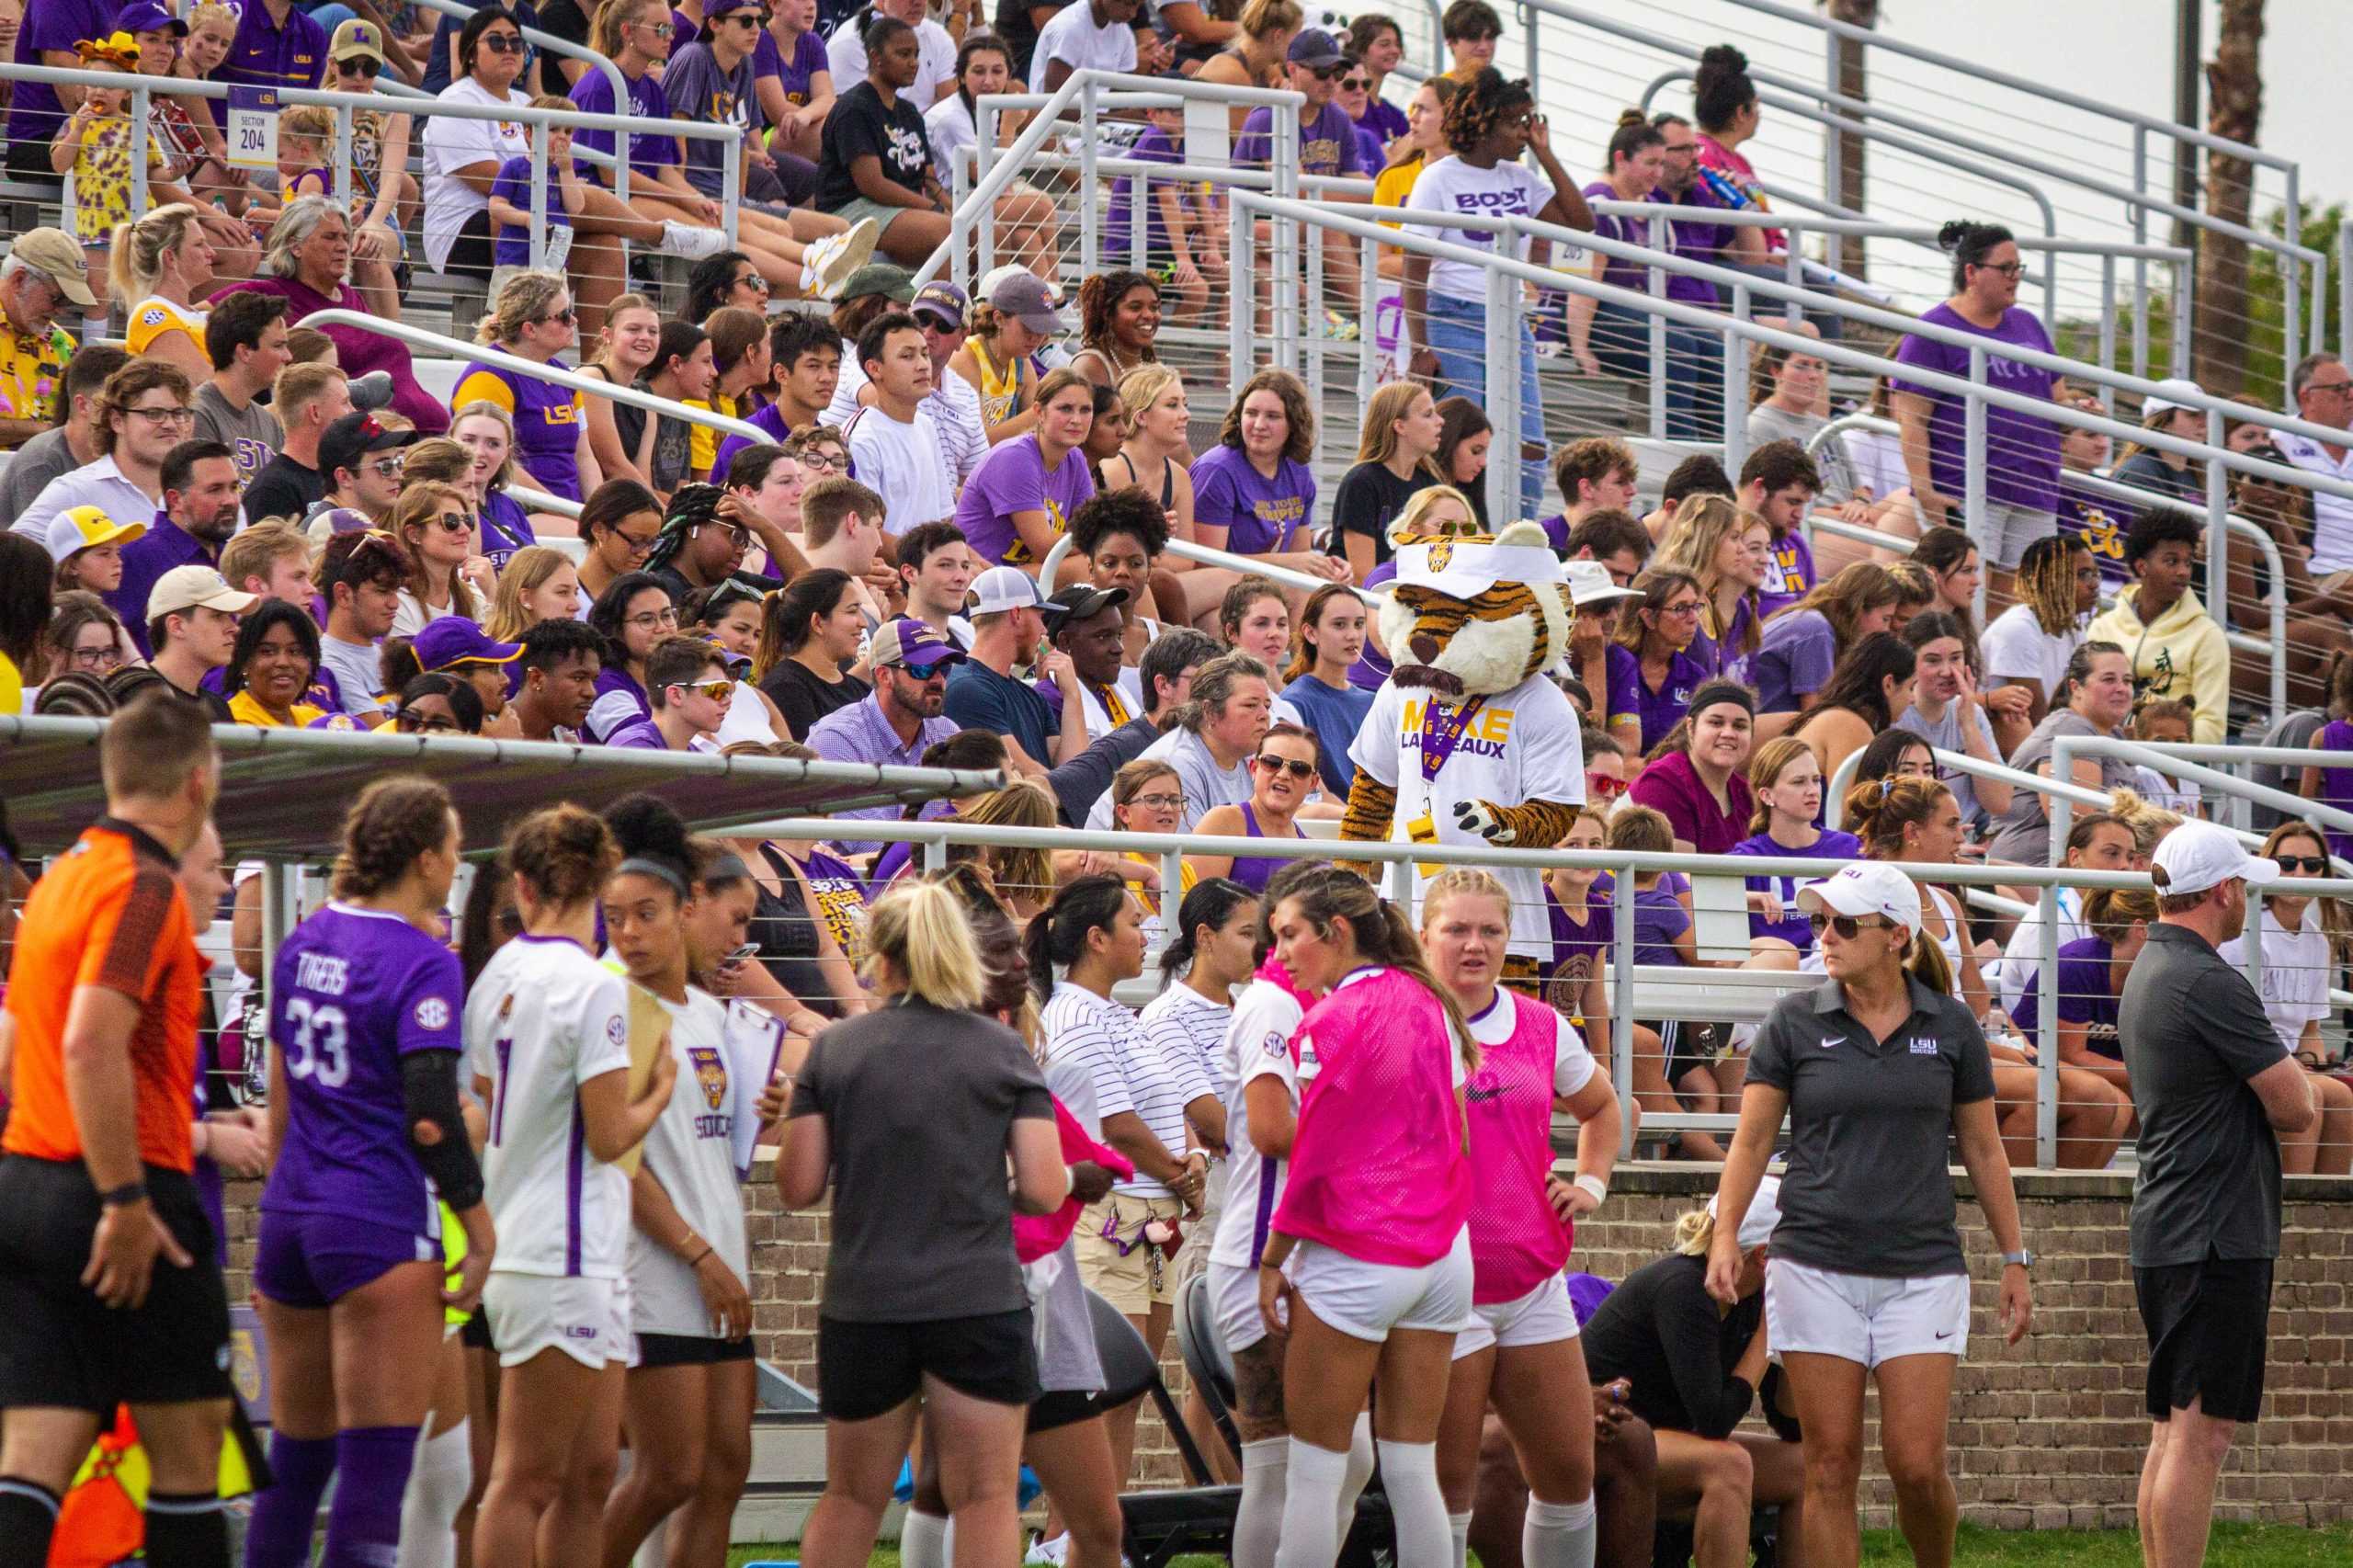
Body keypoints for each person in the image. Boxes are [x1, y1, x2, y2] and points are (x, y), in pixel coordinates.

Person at [1707, 858, 2031, 1568]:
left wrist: (2015, 1259)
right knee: (1830, 1466)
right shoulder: (1793, 1020)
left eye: (1845, 923)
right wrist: (1726, 1233)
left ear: (1897, 936)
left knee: (1917, 1466)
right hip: (1813, 1264)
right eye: (1821, 920)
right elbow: (1754, 1139)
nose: (1826, 934)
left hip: (1923, 1269)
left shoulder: (1951, 1026)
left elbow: (1984, 1149)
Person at [0, 694, 235, 1566]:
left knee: (35, 1454)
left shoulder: (58, 880)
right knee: (188, 1448)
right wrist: (125, 1200)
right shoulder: (145, 888)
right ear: (199, 784)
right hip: (122, 1189)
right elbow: (91, 1040)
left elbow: (16, 1045)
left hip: (26, 1181)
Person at [779, 878, 1066, 1568]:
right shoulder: (1003, 1051)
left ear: (879, 952)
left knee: (851, 1497)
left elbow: (798, 1186)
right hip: (976, 1297)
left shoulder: (836, 1050)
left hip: (864, 1301)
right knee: (987, 1498)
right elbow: (1045, 1188)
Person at [240, 778, 491, 1568]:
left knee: (296, 1461)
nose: (457, 865)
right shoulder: (423, 960)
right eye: (452, 849)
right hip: (378, 1221)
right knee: (375, 1476)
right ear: (424, 858)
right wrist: (477, 1230)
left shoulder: (304, 939)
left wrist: (286, 1206)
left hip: (291, 1219)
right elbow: (430, 1114)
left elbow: (279, 1101)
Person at [1255, 867, 1473, 1568]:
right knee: (1413, 1468)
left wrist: (1272, 1257)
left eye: (1290, 934)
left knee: (1315, 1475)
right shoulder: (1431, 999)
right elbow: (1461, 1133)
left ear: (1337, 931)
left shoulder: (1328, 1019)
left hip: (1361, 1249)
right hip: (1445, 1253)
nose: (1279, 952)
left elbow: (1314, 1154)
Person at [2117, 823, 2317, 1568]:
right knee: (2202, 1433)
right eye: (2246, 884)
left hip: (2176, 1223)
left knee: (2175, 1428)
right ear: (2225, 890)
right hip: (2212, 1232)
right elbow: (2297, 1105)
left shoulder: (2154, 964)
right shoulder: (2206, 978)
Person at [1421, 869, 1619, 1568]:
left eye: (1490, 931)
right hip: (1442, 1293)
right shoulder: (1401, 1021)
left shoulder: (1540, 1026)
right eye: (1457, 930)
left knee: (1569, 1472)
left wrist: (1590, 1183)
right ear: (1425, 935)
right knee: (1444, 1489)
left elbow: (1601, 1108)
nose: (1474, 946)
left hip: (1533, 1284)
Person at [584, 801, 762, 1568]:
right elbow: (615, 1158)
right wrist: (696, 1254)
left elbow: (709, 1136)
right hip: (658, 1269)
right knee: (667, 1472)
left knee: (723, 1473)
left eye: (644, 915)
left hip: (721, 1259)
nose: (629, 933)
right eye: (617, 917)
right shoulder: (617, 1004)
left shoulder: (705, 1012)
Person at [1030, 877, 1219, 1507]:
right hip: (1111, 1213)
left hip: (1155, 1210)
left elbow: (1165, 1104)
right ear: (1096, 938)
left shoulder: (1119, 1013)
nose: (1148, 936)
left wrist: (1189, 1157)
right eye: (1135, 923)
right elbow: (1114, 1125)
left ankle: (1102, 1535)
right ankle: (1069, 1537)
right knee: (1101, 1389)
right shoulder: (1074, 1015)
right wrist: (1179, 1175)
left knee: (1131, 1390)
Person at [1580, 1183, 1802, 1568]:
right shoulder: (1684, 1288)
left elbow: (1789, 1425)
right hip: (1606, 1435)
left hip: (1667, 1438)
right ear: (1766, 1256)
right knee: (1728, 1464)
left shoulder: (1751, 1300)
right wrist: (1768, 1333)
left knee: (1803, 1466)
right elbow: (1714, 1421)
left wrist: (1790, 1344)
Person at [1402, 67, 1591, 517]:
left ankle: (1515, 531)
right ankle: (1454, 525)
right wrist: (1421, 343)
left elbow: (1581, 222)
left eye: (1528, 121)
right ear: (1484, 124)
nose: (1523, 133)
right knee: (1458, 437)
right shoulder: (1438, 178)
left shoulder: (1518, 177)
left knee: (1529, 441)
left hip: (1510, 321)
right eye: (1514, 123)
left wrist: (1544, 154)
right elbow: (1415, 264)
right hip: (1454, 316)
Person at [1892, 220, 2068, 597]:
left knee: (2019, 603)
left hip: (2034, 486)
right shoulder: (1935, 330)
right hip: (1969, 490)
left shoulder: (2028, 324)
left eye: (2018, 268)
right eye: (2005, 268)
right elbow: (1911, 418)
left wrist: (2083, 408)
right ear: (1971, 272)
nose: (2015, 277)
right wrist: (1925, 491)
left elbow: (2059, 399)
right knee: (1963, 600)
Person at [215, 199, 442, 433]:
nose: (343, 246)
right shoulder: (270, 294)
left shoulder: (350, 297)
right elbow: (199, 316)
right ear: (296, 246)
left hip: (425, 428)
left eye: (346, 237)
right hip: (373, 442)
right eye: (330, 237)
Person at [2215, 823, 2353, 1176]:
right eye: (2287, 862)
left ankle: (2321, 1219)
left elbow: (2311, 1029)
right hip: (2253, 1063)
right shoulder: (2247, 936)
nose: (2299, 873)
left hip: (2293, 1062)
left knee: (2343, 1100)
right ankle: (2287, 1208)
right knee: (2314, 1097)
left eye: (2312, 865)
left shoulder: (2317, 941)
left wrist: (2315, 1064)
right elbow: (2241, 1030)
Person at [809, 618, 966, 849]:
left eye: (944, 668)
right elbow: (869, 843)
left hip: (930, 875)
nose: (938, 680)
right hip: (858, 882)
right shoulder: (837, 737)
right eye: (922, 669)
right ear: (884, 675)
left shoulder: (947, 731)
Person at [817, 15, 955, 266]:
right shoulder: (854, 108)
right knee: (948, 234)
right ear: (876, 57)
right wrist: (932, 209)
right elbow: (873, 184)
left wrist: (955, 209)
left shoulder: (909, 111)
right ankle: (930, 305)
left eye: (916, 54)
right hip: (852, 209)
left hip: (900, 208)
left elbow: (928, 177)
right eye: (903, 55)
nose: (914, 63)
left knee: (988, 233)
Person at [451, 273, 599, 506]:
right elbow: (498, 464)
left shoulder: (562, 375)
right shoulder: (488, 376)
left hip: (567, 510)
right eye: (563, 315)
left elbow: (584, 456)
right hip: (513, 505)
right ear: (530, 329)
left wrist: (596, 510)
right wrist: (565, 511)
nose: (574, 320)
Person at [2085, 511, 2230, 745]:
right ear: (2142, 567)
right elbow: (2084, 702)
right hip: (2108, 751)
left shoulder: (2207, 635)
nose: (2183, 571)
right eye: (2172, 561)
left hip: (2174, 761)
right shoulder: (2103, 627)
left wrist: (2157, 747)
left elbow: (2211, 726)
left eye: (2188, 562)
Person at [1085, 651, 1274, 832]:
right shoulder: (1177, 763)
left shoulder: (1243, 757)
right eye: (1251, 705)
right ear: (1209, 711)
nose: (1265, 715)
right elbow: (1189, 858)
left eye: (1267, 706)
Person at [1193, 370, 1351, 584]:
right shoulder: (1217, 471)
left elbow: (1300, 556)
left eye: (1272, 416)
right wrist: (1286, 563)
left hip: (1271, 587)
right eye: (1251, 413)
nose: (1259, 425)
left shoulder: (1298, 471)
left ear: (1294, 423)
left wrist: (1331, 571)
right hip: (1222, 591)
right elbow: (1206, 565)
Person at [1728, 737, 1861, 960]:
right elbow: (1689, 889)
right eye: (1799, 782)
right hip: (1778, 975)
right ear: (1766, 795)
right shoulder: (1748, 857)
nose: (1812, 791)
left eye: (1816, 780)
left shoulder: (1848, 848)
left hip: (1838, 969)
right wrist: (1745, 897)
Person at [956, 369, 1097, 567]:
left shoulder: (1075, 459)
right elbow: (1044, 548)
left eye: (1085, 410)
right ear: (1039, 412)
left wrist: (1103, 539)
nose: (1076, 419)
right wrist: (1103, 540)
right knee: (1089, 567)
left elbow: (1091, 528)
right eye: (1065, 409)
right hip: (986, 575)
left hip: (1031, 573)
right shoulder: (1015, 458)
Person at [1893, 611, 2013, 830]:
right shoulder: (1895, 716)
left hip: (1966, 839)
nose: (1947, 671)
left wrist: (1968, 726)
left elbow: (2000, 802)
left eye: (1956, 658)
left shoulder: (1972, 713)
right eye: (1932, 661)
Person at [1980, 534, 2097, 754]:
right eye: (2082, 575)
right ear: (2046, 580)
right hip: (2007, 742)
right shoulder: (2018, 628)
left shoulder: (2075, 630)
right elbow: (2038, 718)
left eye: (2094, 574)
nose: (2094, 584)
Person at [0, 344, 130, 530]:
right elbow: (38, 550)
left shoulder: (124, 456)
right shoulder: (41, 462)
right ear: (83, 405)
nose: (127, 414)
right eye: (118, 404)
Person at [1629, 680, 1754, 856]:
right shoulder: (1662, 783)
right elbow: (1679, 876)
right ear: (1690, 727)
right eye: (1716, 723)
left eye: (1740, 726)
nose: (1728, 733)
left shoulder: (1744, 792)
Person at [1191, 722, 1319, 892]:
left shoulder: (1310, 849)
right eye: (1272, 763)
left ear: (1313, 783)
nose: (1283, 775)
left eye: (1299, 769)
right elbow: (1193, 907)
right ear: (1254, 768)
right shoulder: (1224, 822)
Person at [1331, 381, 1441, 580]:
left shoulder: (1430, 484)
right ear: (1399, 426)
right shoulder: (1362, 482)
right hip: (1363, 600)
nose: (1440, 421)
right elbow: (1364, 577)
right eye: (1428, 414)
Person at [1785, 633, 1918, 787]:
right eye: (1911, 687)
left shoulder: (1842, 717)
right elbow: (1848, 807)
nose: (1913, 699)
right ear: (1888, 684)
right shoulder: (1850, 725)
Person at [1279, 585, 1375, 795]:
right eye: (1339, 625)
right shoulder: (1295, 702)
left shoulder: (1373, 702)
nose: (1353, 635)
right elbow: (1307, 791)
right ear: (1311, 633)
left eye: (1359, 624)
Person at [758, 569, 874, 741]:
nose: (863, 623)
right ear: (818, 622)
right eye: (852, 611)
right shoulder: (785, 688)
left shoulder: (860, 689)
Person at [314, 530, 414, 722]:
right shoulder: (327, 663)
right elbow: (387, 741)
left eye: (395, 591)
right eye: (383, 591)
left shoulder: (386, 655)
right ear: (343, 594)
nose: (394, 603)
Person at [194, 292, 290, 489]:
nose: (288, 356)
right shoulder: (198, 414)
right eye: (278, 346)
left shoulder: (268, 421)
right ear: (244, 352)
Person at [509, 618, 605, 743]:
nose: (591, 692)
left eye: (594, 680)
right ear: (536, 679)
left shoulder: (568, 743)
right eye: (578, 678)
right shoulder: (481, 733)